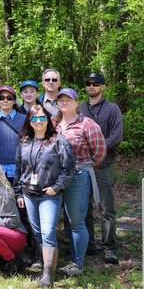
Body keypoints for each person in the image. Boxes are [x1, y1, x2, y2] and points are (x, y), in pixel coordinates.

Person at [14, 104, 74, 288]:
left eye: (42, 118)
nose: (38, 122)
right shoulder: (24, 141)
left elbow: (68, 168)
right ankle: (44, 268)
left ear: (48, 120)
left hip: (49, 194)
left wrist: (56, 187)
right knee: (38, 232)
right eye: (34, 118)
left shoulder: (58, 140)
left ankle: (49, 275)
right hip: (29, 193)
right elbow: (19, 169)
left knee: (48, 232)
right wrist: (19, 193)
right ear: (29, 121)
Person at [53, 87, 106, 277]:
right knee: (49, 220)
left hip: (77, 177)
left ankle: (77, 263)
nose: (64, 102)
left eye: (69, 99)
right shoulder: (53, 123)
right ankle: (46, 260)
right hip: (53, 178)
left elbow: (99, 152)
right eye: (61, 100)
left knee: (76, 221)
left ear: (77, 103)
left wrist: (83, 167)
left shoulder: (87, 124)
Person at [79, 72, 124, 264]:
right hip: (82, 166)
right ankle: (89, 244)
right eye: (88, 83)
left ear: (103, 86)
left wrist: (97, 148)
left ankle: (109, 247)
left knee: (106, 208)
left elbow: (116, 136)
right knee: (84, 207)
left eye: (95, 83)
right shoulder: (79, 108)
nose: (91, 86)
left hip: (103, 165)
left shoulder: (112, 109)